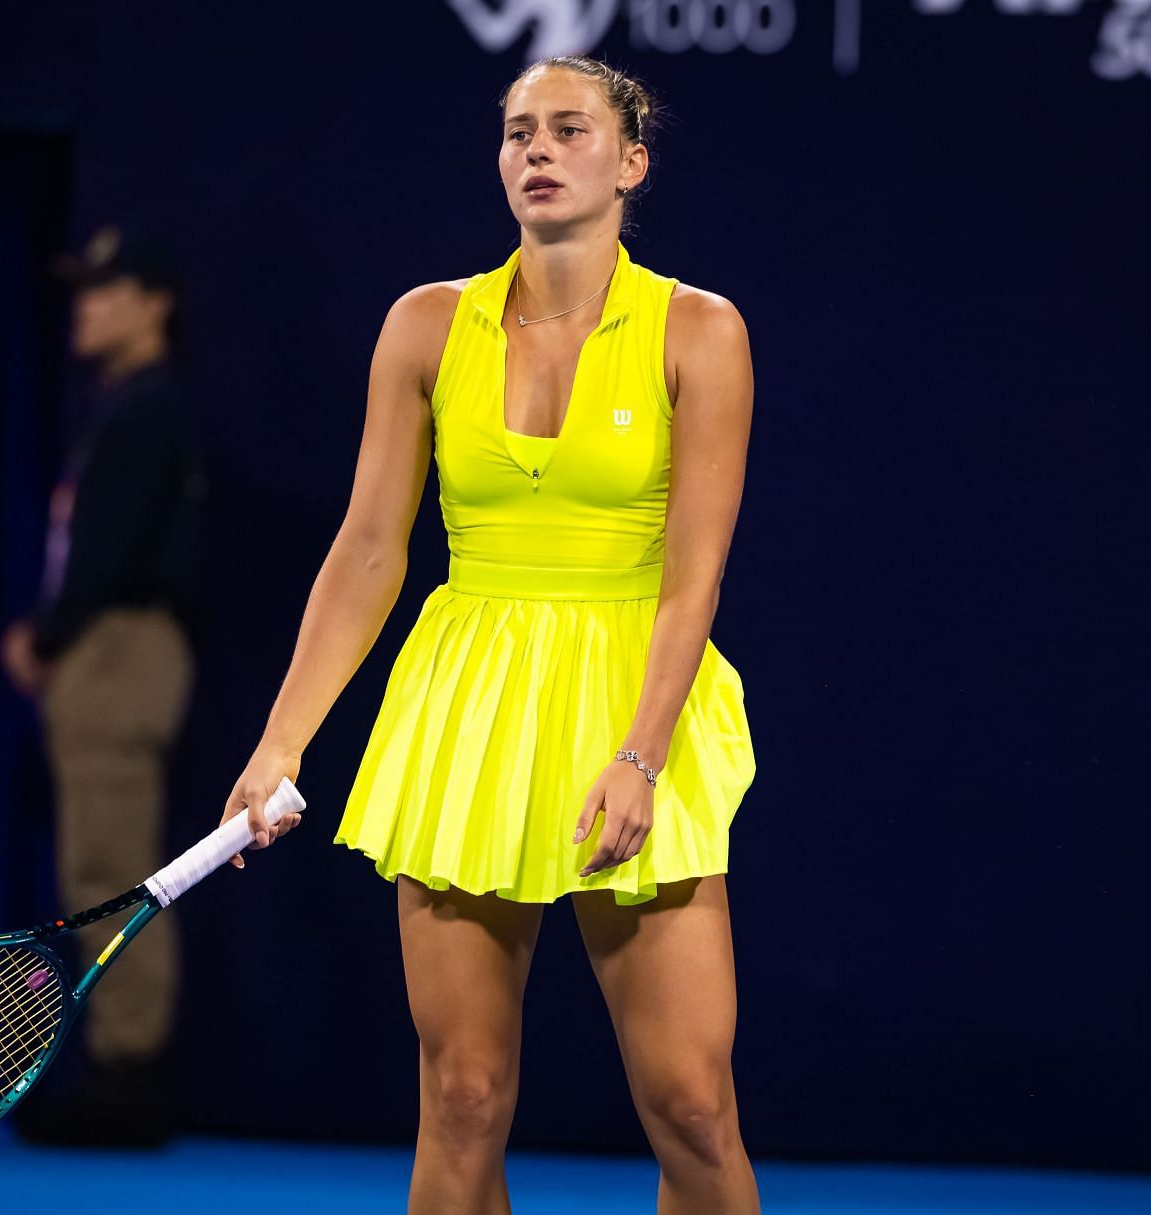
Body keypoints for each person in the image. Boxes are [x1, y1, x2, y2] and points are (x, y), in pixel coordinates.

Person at [220, 55, 761, 1214]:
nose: (537, 151)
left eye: (570, 130)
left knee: (692, 1106)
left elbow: (694, 575)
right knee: (461, 1095)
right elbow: (369, 551)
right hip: (469, 711)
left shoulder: (702, 332)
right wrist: (280, 745)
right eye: (519, 132)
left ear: (632, 163)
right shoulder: (425, 326)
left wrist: (641, 755)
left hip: (635, 703)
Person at [0, 224, 205, 1146]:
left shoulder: (151, 409)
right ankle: (121, 1063)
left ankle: (131, 1075)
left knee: (116, 869)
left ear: (154, 303)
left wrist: (47, 635)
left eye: (107, 290)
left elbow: (112, 553)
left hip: (120, 649)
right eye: (81, 291)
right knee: (100, 861)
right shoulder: (124, 405)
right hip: (106, 646)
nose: (85, 307)